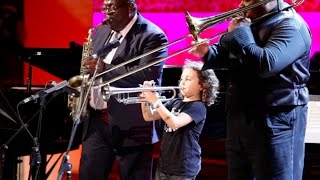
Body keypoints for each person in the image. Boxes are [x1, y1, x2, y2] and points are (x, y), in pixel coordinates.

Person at [188, 0, 311, 179]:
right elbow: (230, 55)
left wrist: (240, 31)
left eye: (247, 0)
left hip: (276, 121)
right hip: (240, 117)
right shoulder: (250, 22)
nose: (240, 4)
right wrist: (207, 53)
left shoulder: (291, 25)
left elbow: (266, 64)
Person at [79, 0, 168, 179]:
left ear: (130, 7)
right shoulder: (102, 31)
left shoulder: (153, 35)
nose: (107, 12)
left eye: (112, 7)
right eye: (104, 7)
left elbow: (147, 75)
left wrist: (106, 69)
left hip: (132, 126)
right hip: (97, 122)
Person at [139, 60, 219, 180]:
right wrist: (145, 98)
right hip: (164, 166)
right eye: (182, 79)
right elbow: (148, 116)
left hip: (183, 169)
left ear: (202, 85)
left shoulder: (198, 107)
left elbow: (174, 122)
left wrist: (155, 101)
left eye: (188, 79)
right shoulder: (174, 102)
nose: (182, 83)